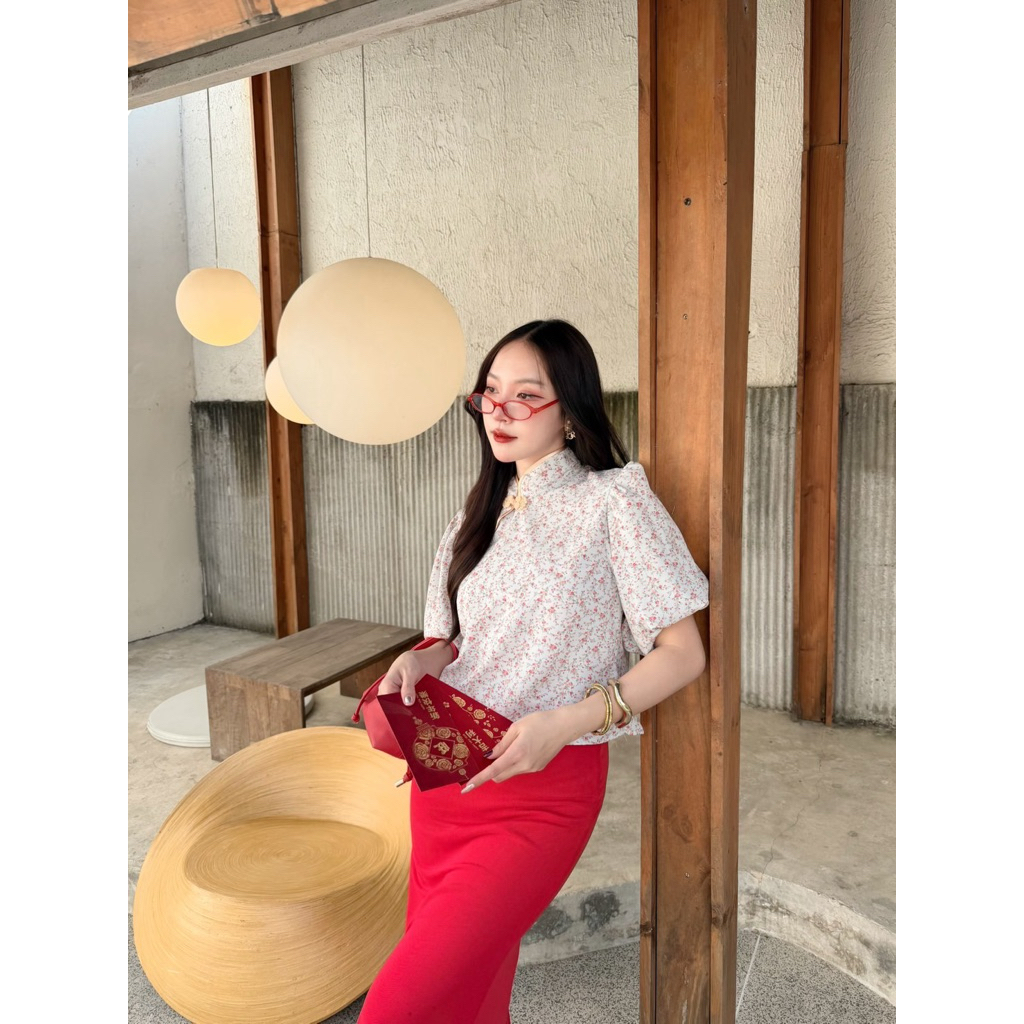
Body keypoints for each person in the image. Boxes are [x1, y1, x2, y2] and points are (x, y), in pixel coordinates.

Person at [357, 319, 709, 1024]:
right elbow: (454, 640)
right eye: (490, 393)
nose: (500, 410)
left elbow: (683, 653)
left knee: (397, 1008)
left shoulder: (613, 501)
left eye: (525, 395)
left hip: (541, 793)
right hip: (446, 777)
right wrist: (420, 658)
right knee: (469, 997)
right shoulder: (475, 514)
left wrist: (569, 722)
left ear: (570, 411)